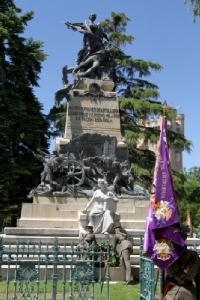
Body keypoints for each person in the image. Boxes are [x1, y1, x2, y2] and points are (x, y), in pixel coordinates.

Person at [163, 224, 200, 300]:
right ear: (185, 237)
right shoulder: (195, 256)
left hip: (172, 293)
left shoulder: (168, 256)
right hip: (190, 294)